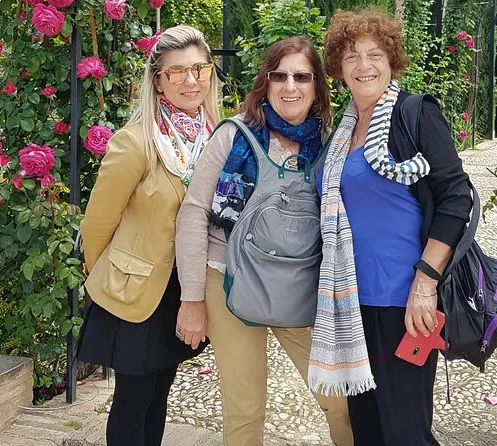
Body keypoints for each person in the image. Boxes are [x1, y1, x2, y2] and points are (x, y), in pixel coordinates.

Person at [174, 36, 353, 446]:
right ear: (265, 83)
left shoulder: (331, 146)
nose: (290, 86)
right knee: (245, 409)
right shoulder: (234, 136)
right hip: (230, 280)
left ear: (317, 86)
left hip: (301, 287)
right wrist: (192, 297)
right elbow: (194, 212)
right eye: (279, 76)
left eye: (302, 77)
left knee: (340, 399)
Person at [308, 9, 473, 446]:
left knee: (405, 432)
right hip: (350, 304)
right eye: (351, 56)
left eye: (374, 54)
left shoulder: (413, 114)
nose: (363, 66)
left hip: (405, 303)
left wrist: (426, 283)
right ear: (338, 68)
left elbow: (457, 198)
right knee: (367, 430)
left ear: (391, 60)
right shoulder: (341, 133)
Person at [76, 25, 220, 446]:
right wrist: (111, 279)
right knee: (133, 399)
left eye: (199, 69)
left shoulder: (216, 136)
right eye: (177, 71)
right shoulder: (136, 142)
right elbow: (97, 224)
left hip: (184, 290)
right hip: (135, 294)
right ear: (158, 80)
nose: (191, 80)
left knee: (160, 395)